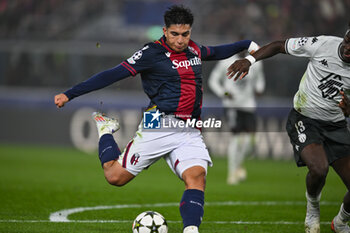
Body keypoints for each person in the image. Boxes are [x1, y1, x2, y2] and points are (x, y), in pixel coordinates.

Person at [54, 5, 259, 233]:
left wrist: (247, 45)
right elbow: (112, 74)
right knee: (114, 177)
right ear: (164, 30)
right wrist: (70, 93)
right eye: (175, 34)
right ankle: (106, 130)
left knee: (197, 176)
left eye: (185, 34)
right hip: (158, 124)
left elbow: (217, 51)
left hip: (189, 129)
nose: (181, 40)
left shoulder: (194, 50)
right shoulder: (151, 53)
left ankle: (191, 229)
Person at [227, 22, 350, 233]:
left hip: (336, 125)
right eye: (348, 41)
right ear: (345, 36)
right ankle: (312, 208)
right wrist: (249, 60)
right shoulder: (322, 44)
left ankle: (340, 222)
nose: (348, 48)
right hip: (305, 118)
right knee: (319, 169)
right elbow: (277, 45)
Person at [208, 51, 265, 185]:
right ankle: (232, 173)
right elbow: (213, 81)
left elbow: (260, 80)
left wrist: (259, 88)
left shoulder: (255, 62)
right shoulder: (226, 61)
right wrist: (225, 93)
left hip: (249, 105)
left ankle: (238, 166)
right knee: (236, 137)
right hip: (232, 105)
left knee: (251, 141)